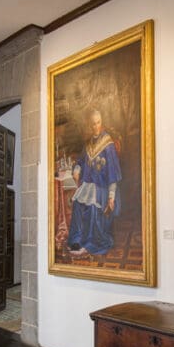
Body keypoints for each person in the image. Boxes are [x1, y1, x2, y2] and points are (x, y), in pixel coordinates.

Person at [68, 109, 122, 257]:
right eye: (93, 124)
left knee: (92, 206)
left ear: (101, 122)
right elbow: (80, 161)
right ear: (89, 126)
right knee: (78, 204)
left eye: (98, 123)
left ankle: (89, 242)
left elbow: (113, 174)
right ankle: (77, 239)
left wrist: (111, 197)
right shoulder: (88, 144)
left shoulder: (108, 145)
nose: (96, 126)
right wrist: (77, 169)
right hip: (88, 186)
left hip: (103, 189)